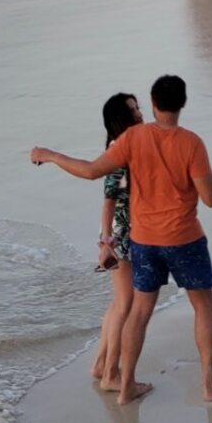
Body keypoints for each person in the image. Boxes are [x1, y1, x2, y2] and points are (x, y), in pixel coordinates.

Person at [30, 74, 212, 404]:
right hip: (184, 238)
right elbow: (211, 198)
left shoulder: (134, 137)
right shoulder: (191, 143)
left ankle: (127, 384)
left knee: (139, 313)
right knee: (203, 306)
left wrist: (50, 155)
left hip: (144, 241)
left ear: (152, 103)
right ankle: (209, 384)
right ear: (182, 103)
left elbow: (91, 171)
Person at [91, 93, 144, 388]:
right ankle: (111, 374)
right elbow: (109, 200)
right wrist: (106, 241)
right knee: (125, 305)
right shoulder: (118, 153)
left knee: (118, 304)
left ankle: (101, 365)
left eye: (138, 107)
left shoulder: (126, 148)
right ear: (119, 119)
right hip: (121, 235)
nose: (139, 113)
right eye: (133, 110)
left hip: (124, 233)